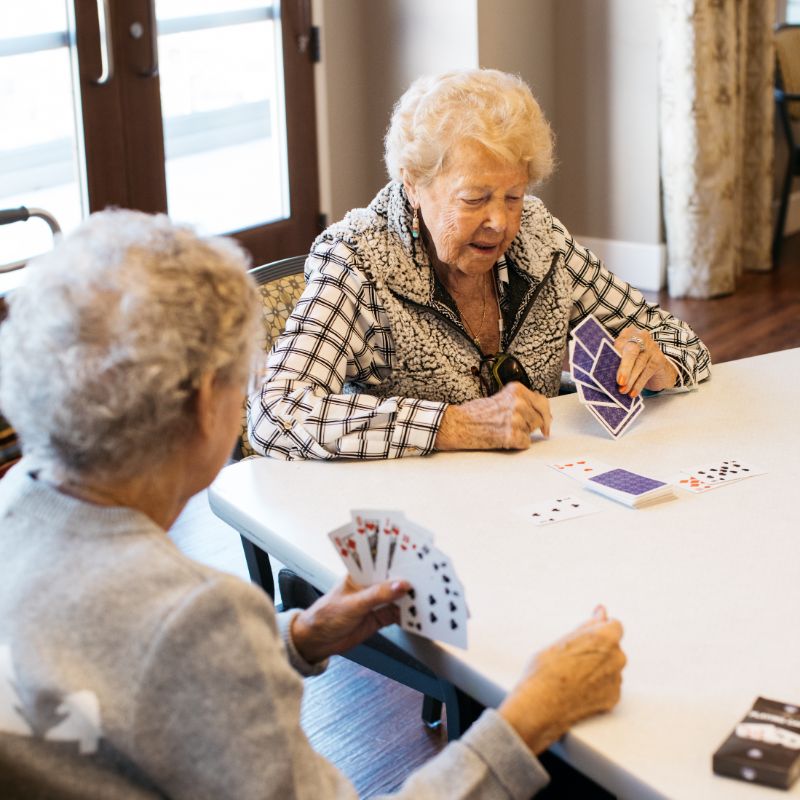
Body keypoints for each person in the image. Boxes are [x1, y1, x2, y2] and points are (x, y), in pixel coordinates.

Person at [0, 210, 626, 799]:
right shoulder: (199, 618)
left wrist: (295, 637)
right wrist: (526, 721)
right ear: (201, 407)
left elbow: (117, 667)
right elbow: (170, 642)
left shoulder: (16, 504)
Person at [249, 69, 711, 460]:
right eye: (474, 199)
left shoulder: (539, 237)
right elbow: (276, 413)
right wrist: (452, 425)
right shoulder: (358, 261)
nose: (500, 222)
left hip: (543, 492)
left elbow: (680, 340)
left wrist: (660, 364)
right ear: (412, 184)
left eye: (513, 196)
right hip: (423, 515)